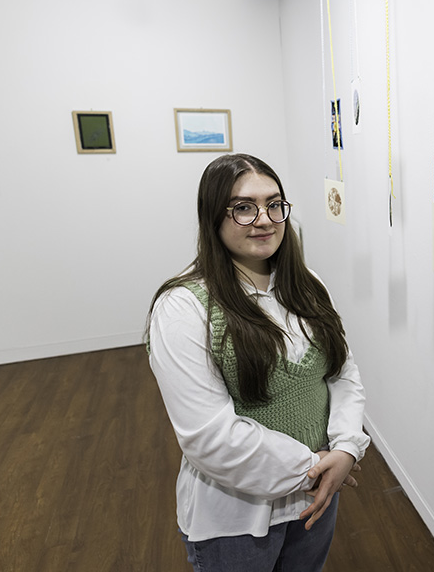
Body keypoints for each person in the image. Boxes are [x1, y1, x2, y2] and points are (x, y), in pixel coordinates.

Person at [146, 153, 369, 572]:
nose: (264, 219)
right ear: (213, 216)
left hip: (314, 503)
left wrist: (345, 448)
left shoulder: (307, 285)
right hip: (236, 520)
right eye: (244, 207)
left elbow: (341, 373)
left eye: (274, 204)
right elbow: (209, 436)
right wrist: (315, 468)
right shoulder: (183, 307)